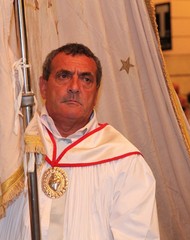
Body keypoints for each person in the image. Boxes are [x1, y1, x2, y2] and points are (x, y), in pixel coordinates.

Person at [0, 43, 160, 239]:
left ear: (96, 93)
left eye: (86, 79)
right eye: (64, 76)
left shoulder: (125, 162)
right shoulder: (14, 146)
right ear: (43, 86)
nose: (74, 87)